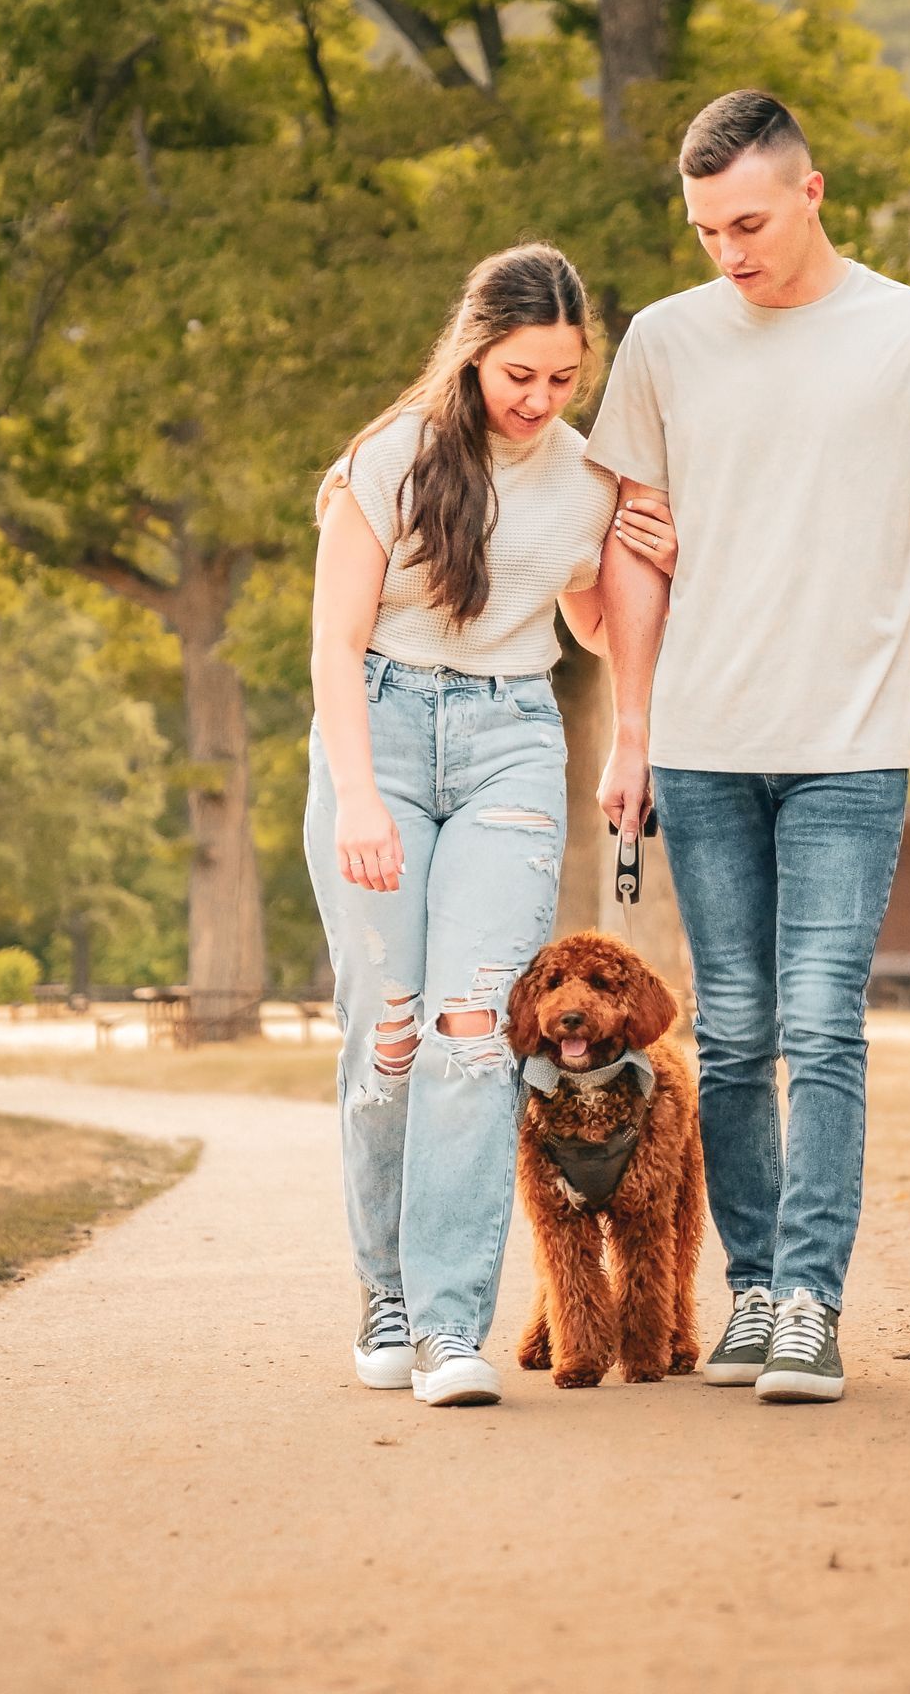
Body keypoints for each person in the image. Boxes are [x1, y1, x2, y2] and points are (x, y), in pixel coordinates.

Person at [588, 90, 910, 1403]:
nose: (728, 248)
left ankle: (816, 1306)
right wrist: (632, 729)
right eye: (706, 228)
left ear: (813, 192)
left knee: (823, 1024)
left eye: (750, 221)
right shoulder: (664, 344)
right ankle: (759, 1289)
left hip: (851, 746)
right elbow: (635, 552)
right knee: (734, 1032)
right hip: (706, 747)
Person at [304, 242, 675, 1407]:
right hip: (381, 731)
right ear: (473, 354)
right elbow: (331, 642)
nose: (540, 400)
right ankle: (389, 1297)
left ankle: (451, 1330)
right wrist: (359, 795)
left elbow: (598, 630)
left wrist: (649, 568)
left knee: (477, 1031)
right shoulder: (389, 459)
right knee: (395, 1035)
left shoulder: (582, 478)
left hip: (514, 737)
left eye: (563, 378)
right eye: (521, 374)